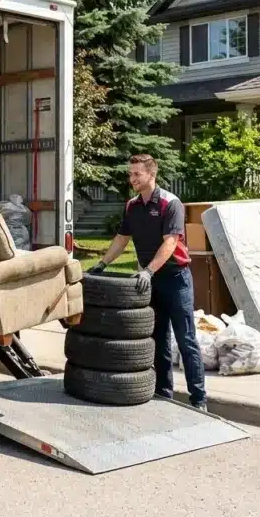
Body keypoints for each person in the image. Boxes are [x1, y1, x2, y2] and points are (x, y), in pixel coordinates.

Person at [87, 154, 207, 411]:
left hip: (175, 279)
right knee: (158, 337)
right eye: (131, 174)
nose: (132, 179)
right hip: (150, 280)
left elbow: (170, 242)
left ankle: (199, 400)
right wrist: (102, 264)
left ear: (151, 175)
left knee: (186, 340)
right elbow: (122, 238)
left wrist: (148, 271)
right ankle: (164, 393)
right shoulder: (132, 205)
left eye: (137, 174)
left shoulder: (170, 203)